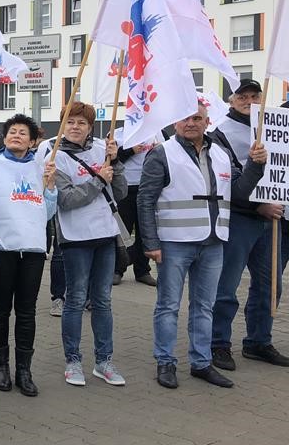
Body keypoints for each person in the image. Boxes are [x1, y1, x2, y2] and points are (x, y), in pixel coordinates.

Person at [139, 103, 266, 389]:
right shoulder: (162, 153)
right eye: (185, 118)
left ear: (207, 122)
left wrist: (255, 166)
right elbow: (145, 200)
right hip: (174, 242)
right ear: (175, 123)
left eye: (197, 118)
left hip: (213, 242)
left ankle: (200, 362)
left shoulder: (220, 154)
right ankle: (166, 362)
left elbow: (240, 193)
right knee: (168, 306)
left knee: (204, 307)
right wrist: (150, 243)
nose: (191, 123)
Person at [36, 102, 127, 387]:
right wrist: (100, 179)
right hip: (75, 238)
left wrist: (117, 163)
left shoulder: (103, 148)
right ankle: (73, 361)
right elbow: (68, 200)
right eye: (70, 122)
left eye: (82, 123)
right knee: (75, 300)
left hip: (106, 236)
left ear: (90, 127)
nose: (76, 127)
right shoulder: (53, 154)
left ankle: (104, 361)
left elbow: (121, 192)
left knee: (102, 300)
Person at [209, 79, 289, 369]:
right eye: (243, 95)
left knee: (270, 286)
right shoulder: (220, 134)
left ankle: (258, 342)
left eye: (255, 95)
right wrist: (260, 205)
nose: (249, 99)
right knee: (226, 287)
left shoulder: (275, 126)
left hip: (272, 221)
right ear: (231, 100)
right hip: (239, 219)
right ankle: (218, 343)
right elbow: (226, 182)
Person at [0, 114, 57, 397]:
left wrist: (50, 188)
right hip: (1, 249)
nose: (16, 135)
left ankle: (23, 369)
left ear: (33, 140)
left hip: (34, 249)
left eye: (23, 132)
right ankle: (0, 366)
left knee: (26, 312)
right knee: (1, 309)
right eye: (12, 131)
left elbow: (48, 212)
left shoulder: (43, 167)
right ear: (4, 137)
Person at [113, 126, 162, 286]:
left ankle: (142, 270)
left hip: (148, 188)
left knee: (144, 231)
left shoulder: (157, 132)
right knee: (122, 232)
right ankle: (117, 269)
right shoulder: (116, 133)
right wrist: (130, 150)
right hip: (125, 189)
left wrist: (157, 150)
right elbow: (111, 159)